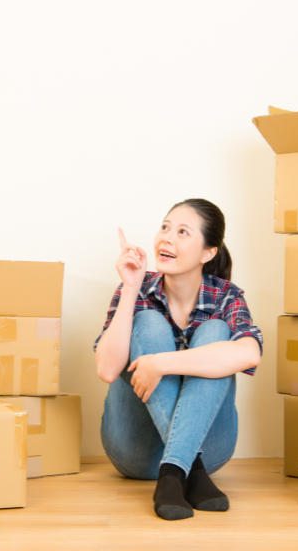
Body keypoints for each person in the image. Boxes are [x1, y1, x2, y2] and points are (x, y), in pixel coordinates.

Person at [94, 198, 263, 521]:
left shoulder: (226, 296)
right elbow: (106, 370)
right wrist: (130, 289)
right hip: (136, 452)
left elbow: (249, 351)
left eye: (183, 232)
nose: (167, 238)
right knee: (148, 323)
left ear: (207, 253)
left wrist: (162, 363)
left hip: (212, 448)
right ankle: (190, 470)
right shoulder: (137, 288)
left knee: (216, 331)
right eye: (165, 227)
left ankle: (174, 473)